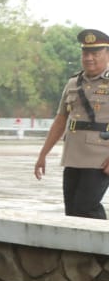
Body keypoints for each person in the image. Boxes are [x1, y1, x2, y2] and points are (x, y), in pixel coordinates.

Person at [34, 28, 109, 218]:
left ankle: (102, 245)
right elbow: (61, 119)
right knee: (72, 211)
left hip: (100, 159)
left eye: (95, 53)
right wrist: (43, 154)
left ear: (107, 54)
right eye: (85, 53)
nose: (89, 58)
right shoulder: (73, 83)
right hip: (73, 156)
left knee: (86, 207)